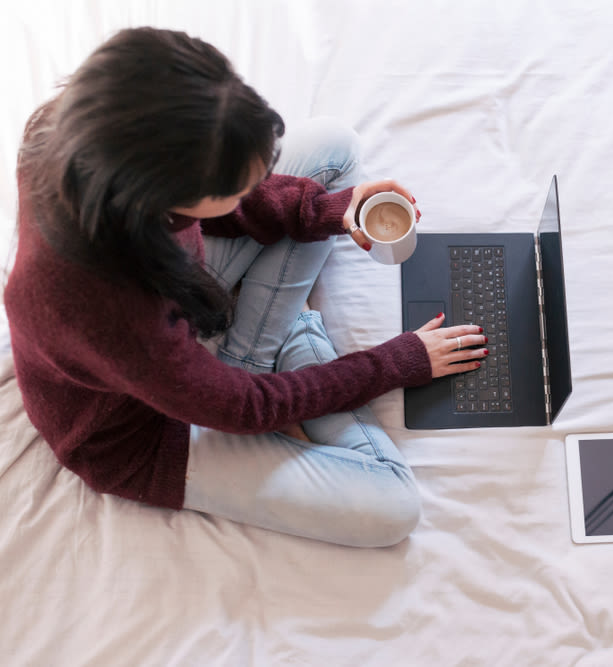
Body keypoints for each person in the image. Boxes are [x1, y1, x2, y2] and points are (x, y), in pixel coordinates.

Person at [5, 27, 487, 547]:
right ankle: (277, 346)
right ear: (164, 195)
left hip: (176, 312)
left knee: (333, 146)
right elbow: (245, 410)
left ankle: (253, 352)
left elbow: (238, 205)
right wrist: (398, 362)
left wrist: (326, 210)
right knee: (393, 508)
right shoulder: (100, 304)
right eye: (235, 186)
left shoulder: (74, 135)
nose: (249, 190)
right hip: (146, 427)